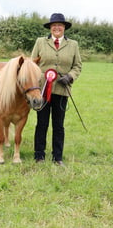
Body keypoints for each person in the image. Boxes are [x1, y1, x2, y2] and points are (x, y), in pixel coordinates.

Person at [31, 13, 82, 166]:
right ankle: (39, 156)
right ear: (50, 28)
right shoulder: (40, 42)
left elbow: (77, 66)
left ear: (64, 27)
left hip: (61, 89)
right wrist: (40, 78)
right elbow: (32, 64)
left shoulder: (73, 45)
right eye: (54, 25)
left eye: (60, 25)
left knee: (58, 125)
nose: (57, 27)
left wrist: (70, 77)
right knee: (42, 124)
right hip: (42, 90)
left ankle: (57, 157)